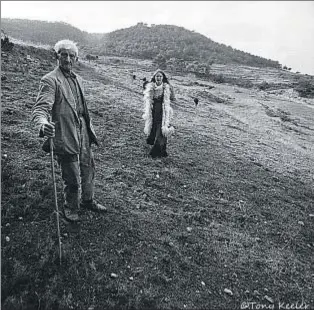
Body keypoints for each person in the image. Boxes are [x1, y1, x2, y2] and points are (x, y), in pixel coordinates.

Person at [32, 39, 106, 222]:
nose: (67, 59)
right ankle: (71, 207)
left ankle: (88, 200)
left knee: (88, 167)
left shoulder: (78, 79)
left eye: (71, 55)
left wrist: (86, 129)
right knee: (71, 173)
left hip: (83, 131)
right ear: (57, 56)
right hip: (65, 133)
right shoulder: (50, 80)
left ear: (76, 58)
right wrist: (43, 123)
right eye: (63, 54)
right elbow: (40, 108)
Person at [142, 69, 176, 158]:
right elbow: (147, 99)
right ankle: (163, 149)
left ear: (163, 78)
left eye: (160, 76)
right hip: (153, 111)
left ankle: (156, 151)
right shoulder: (150, 87)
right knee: (154, 127)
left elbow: (173, 98)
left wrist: (169, 95)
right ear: (154, 77)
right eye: (157, 76)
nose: (158, 78)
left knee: (161, 130)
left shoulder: (167, 87)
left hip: (163, 111)